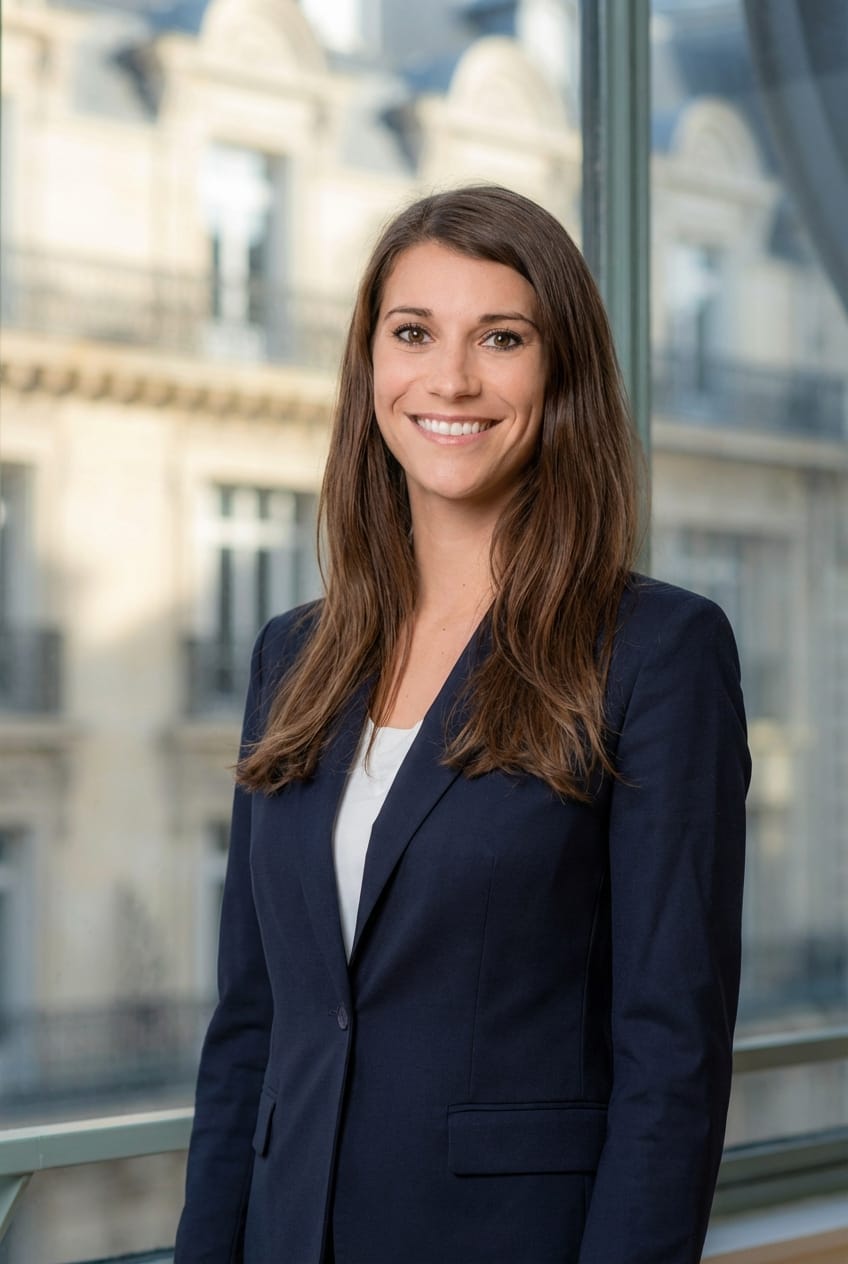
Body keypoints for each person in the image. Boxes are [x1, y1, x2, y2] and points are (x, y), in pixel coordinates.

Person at [175, 185, 750, 1264]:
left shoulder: (655, 653)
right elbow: (250, 1034)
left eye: (500, 337)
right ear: (371, 369)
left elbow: (668, 1057)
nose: (450, 379)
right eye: (412, 333)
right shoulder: (291, 656)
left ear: (558, 372)